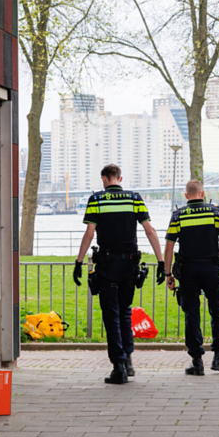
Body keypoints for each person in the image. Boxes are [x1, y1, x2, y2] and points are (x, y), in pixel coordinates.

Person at [73, 164, 166, 384]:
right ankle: (129, 361)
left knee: (111, 315)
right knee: (125, 312)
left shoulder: (96, 200)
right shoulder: (134, 198)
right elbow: (149, 230)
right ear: (120, 178)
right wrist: (161, 262)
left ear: (104, 178)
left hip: (107, 265)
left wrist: (78, 262)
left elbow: (89, 233)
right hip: (130, 265)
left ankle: (119, 366)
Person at [164, 180, 219, 376]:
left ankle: (197, 361)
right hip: (212, 268)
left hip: (188, 271)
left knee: (192, 315)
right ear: (202, 193)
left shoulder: (178, 215)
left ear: (186, 195)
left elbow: (169, 246)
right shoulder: (215, 212)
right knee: (217, 312)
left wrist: (168, 273)